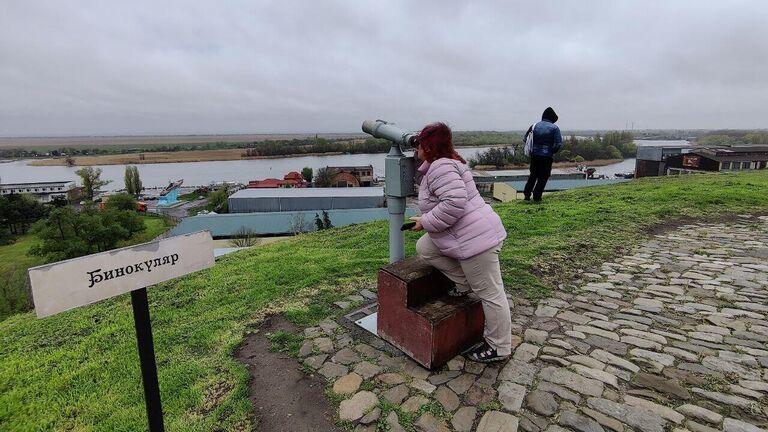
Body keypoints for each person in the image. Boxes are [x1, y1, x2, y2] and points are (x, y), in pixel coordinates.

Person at [409, 122, 512, 363]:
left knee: (491, 293)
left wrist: (425, 221)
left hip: (476, 240)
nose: (416, 148)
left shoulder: (440, 168)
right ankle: (465, 284)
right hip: (470, 232)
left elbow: (453, 203)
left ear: (429, 146)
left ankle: (498, 347)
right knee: (425, 247)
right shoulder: (446, 163)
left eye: (420, 143)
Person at [523, 107, 563, 202]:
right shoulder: (555, 128)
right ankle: (537, 196)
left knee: (533, 175)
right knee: (543, 177)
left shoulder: (534, 126)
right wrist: (551, 151)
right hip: (546, 156)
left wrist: (533, 147)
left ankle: (527, 195)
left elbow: (525, 139)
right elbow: (558, 144)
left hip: (534, 155)